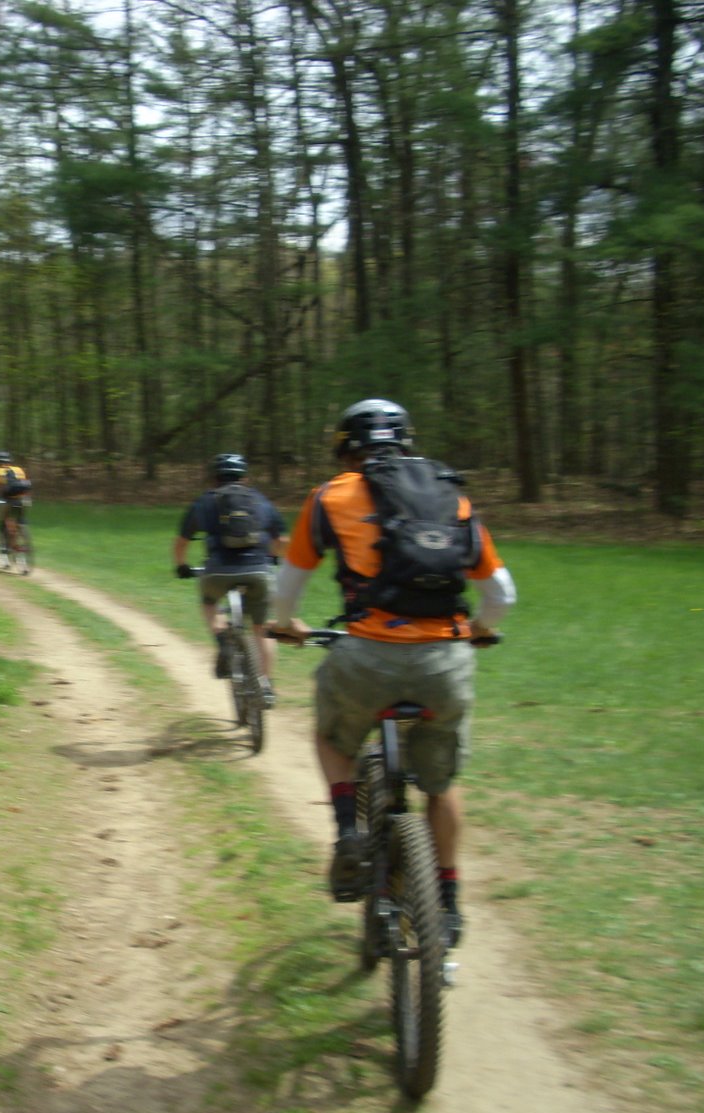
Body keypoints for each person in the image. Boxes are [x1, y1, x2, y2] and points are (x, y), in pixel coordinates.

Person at [267, 399, 515, 947]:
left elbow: (289, 584)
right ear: (405, 442)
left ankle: (348, 832)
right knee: (442, 783)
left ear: (345, 448)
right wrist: (476, 629)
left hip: (366, 656)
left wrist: (286, 625)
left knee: (331, 737)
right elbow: (501, 594)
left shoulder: (330, 496)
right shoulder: (451, 494)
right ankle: (448, 903)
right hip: (445, 659)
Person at [171, 453, 289, 707]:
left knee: (209, 602)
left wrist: (182, 566)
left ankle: (223, 638)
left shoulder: (204, 502)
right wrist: (273, 557)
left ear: (214, 478)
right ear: (245, 477)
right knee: (262, 629)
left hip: (217, 571)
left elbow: (181, 542)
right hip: (259, 570)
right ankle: (266, 685)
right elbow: (282, 542)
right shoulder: (260, 500)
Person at [0, 450, 31, 565]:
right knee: (20, 520)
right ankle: (22, 533)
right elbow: (26, 485)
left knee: (2, 520)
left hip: (7, 500)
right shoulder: (19, 469)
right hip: (23, 499)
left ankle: (3, 549)